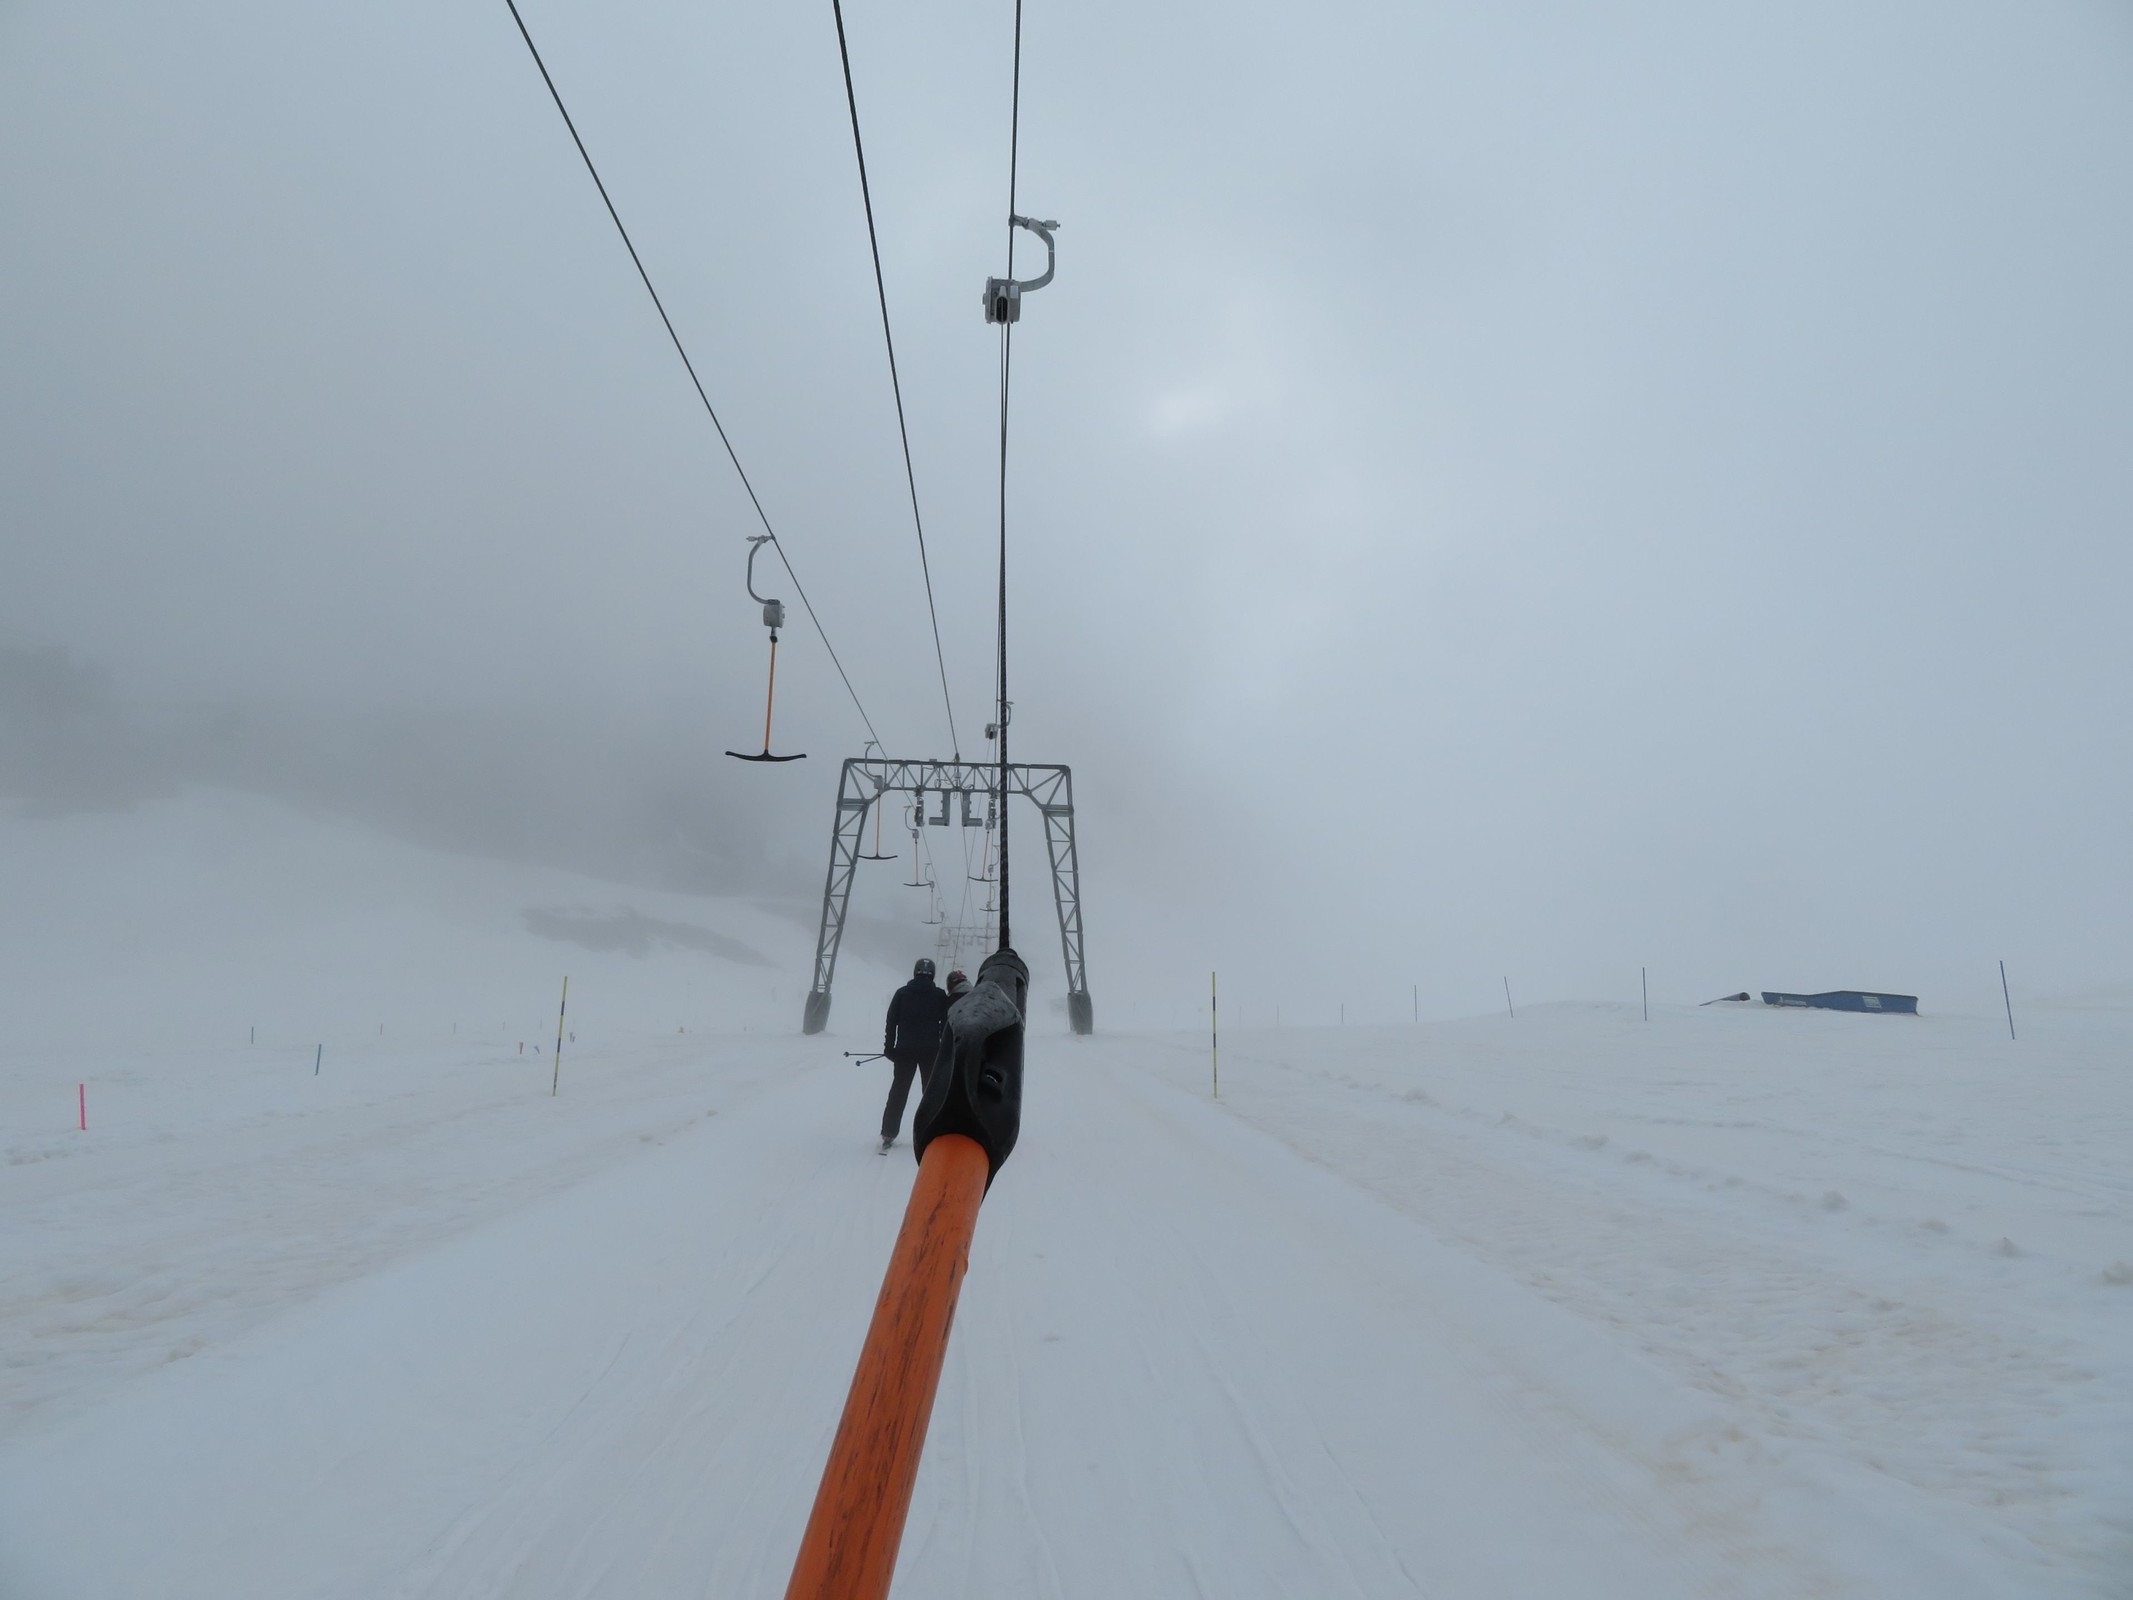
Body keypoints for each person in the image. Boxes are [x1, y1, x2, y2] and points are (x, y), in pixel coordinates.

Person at [879, 958, 949, 1151]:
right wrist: (944, 1049)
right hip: (931, 1051)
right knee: (931, 1093)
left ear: (915, 972)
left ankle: (888, 1133)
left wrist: (889, 1048)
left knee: (898, 1092)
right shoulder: (940, 995)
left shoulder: (902, 994)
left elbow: (891, 1022)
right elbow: (946, 1025)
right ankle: (932, 1132)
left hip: (904, 1051)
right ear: (932, 974)